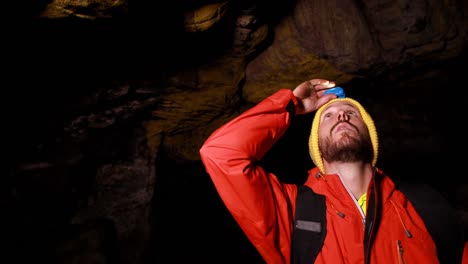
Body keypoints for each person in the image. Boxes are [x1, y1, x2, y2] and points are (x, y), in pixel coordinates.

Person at [199, 78, 468, 264]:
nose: (341, 115)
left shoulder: (421, 205)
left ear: (370, 134)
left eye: (352, 113)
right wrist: (291, 106)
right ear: (316, 142)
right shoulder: (291, 211)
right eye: (328, 115)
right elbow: (222, 153)